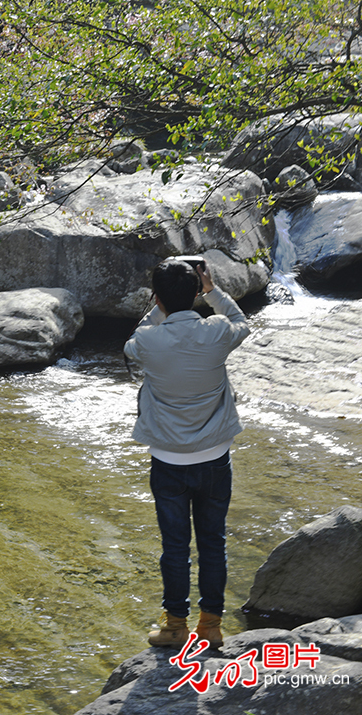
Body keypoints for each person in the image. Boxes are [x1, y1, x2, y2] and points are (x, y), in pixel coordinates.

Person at [124, 258, 250, 649]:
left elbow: (135, 339)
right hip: (214, 457)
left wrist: (160, 304)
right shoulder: (217, 332)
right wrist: (212, 291)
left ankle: (174, 625)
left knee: (174, 546)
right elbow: (241, 322)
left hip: (168, 460)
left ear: (158, 298)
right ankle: (210, 626)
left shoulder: (147, 340)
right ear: (196, 291)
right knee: (213, 541)